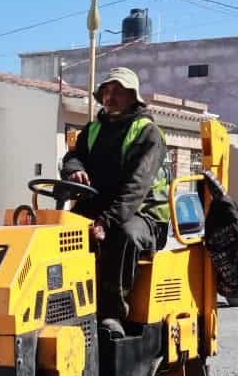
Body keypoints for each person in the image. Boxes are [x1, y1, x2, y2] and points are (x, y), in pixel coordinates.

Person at [60, 67, 170, 337]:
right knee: (59, 233)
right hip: (99, 208)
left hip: (143, 216)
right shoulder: (93, 130)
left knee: (124, 234)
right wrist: (74, 168)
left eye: (118, 91)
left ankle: (112, 314)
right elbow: (73, 157)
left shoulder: (148, 133)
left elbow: (136, 188)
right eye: (107, 91)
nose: (110, 97)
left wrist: (105, 222)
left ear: (133, 96)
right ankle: (65, 306)